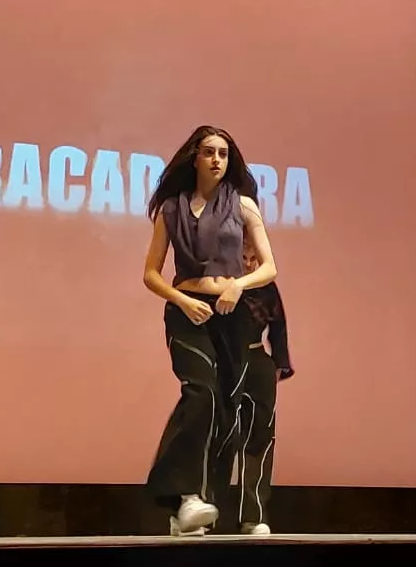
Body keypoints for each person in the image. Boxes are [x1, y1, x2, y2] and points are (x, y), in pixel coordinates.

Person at [141, 125, 278, 537]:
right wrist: (181, 299)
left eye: (223, 153)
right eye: (209, 152)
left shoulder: (244, 206)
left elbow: (270, 265)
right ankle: (185, 497)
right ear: (194, 158)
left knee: (223, 406)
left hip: (231, 314)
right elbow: (150, 273)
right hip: (187, 312)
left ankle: (191, 506)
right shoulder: (171, 208)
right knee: (199, 391)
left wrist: (238, 284)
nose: (217, 160)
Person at [215, 239, 293, 536]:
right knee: (220, 437)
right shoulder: (217, 284)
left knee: (259, 438)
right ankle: (210, 513)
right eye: (243, 257)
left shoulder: (266, 286)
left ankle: (254, 515)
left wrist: (278, 364)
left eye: (253, 258)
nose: (248, 263)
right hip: (227, 363)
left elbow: (279, 326)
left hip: (258, 360)